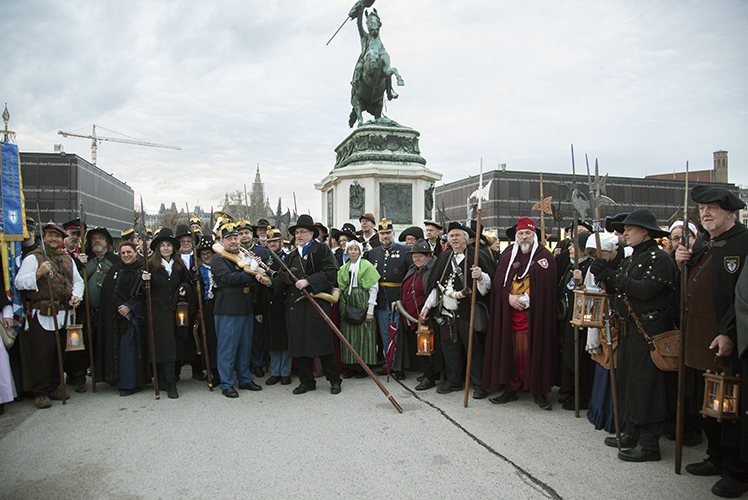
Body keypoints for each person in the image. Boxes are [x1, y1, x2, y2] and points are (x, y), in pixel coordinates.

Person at [675, 185, 748, 497]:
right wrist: (682, 262)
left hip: (727, 339)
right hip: (699, 337)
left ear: (730, 212)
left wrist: (729, 333)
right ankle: (715, 458)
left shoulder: (744, 243)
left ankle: (737, 471)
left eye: (713, 209)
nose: (705, 214)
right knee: (705, 403)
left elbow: (741, 297)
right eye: (702, 209)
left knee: (729, 407)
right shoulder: (706, 242)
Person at [591, 208, 675, 462]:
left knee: (646, 386)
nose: (624, 233)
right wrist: (604, 275)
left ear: (645, 232)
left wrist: (612, 276)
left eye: (629, 229)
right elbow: (621, 290)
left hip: (649, 331)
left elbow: (646, 290)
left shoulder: (659, 259)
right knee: (630, 381)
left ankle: (650, 443)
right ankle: (633, 431)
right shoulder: (632, 259)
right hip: (631, 330)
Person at [482, 217, 557, 410]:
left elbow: (548, 287)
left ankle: (539, 392)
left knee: (535, 351)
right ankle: (510, 388)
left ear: (534, 235)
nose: (524, 237)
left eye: (528, 233)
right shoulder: (508, 257)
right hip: (510, 318)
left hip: (534, 318)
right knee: (511, 353)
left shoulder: (544, 257)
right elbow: (499, 284)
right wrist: (508, 298)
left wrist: (529, 298)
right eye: (521, 233)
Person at [265, 214, 341, 395]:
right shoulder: (291, 256)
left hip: (316, 305)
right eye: (296, 232)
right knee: (299, 346)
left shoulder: (321, 249)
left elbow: (331, 272)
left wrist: (309, 281)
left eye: (302, 232)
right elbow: (283, 278)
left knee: (323, 344)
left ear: (311, 234)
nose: (298, 236)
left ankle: (334, 380)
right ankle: (307, 381)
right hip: (296, 307)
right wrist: (268, 282)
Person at [15, 223, 84, 409]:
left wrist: (77, 295)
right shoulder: (34, 258)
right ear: (44, 238)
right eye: (50, 236)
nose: (53, 239)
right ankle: (41, 392)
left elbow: (77, 281)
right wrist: (38, 273)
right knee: (42, 354)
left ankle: (54, 386)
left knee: (59, 354)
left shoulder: (66, 258)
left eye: (57, 236)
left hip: (63, 313)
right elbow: (19, 282)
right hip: (43, 313)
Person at [423, 222, 491, 399]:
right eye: (451, 236)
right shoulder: (444, 259)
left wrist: (481, 277)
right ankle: (453, 382)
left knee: (473, 351)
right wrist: (427, 306)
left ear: (466, 239)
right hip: (447, 314)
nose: (454, 239)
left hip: (468, 314)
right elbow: (435, 286)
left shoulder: (478, 257)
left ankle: (479, 385)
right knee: (450, 350)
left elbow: (487, 288)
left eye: (457, 235)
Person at [211, 223, 263, 398]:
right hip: (228, 308)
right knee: (227, 348)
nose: (234, 242)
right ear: (222, 241)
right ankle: (226, 383)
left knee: (244, 346)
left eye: (235, 238)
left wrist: (255, 268)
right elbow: (227, 278)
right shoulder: (218, 259)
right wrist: (249, 272)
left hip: (245, 306)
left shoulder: (242, 255)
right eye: (229, 239)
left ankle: (245, 378)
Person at [141, 228, 193, 399]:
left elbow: (187, 283)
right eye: (162, 245)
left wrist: (184, 289)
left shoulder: (179, 265)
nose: (165, 248)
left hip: (175, 312)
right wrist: (145, 282)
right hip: (157, 313)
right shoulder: (150, 265)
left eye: (168, 245)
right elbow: (139, 291)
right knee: (162, 347)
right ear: (157, 248)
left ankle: (170, 380)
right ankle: (166, 381)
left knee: (173, 346)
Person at [97, 241, 149, 395]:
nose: (126, 255)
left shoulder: (142, 269)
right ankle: (120, 380)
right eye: (123, 253)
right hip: (117, 318)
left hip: (136, 318)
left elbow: (144, 295)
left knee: (130, 351)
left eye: (129, 252)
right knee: (119, 351)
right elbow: (108, 293)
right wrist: (120, 307)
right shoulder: (115, 269)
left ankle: (131, 383)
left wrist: (130, 307)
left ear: (135, 252)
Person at [367, 218, 412, 379]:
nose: (385, 236)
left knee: (397, 334)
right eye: (382, 233)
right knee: (385, 334)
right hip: (381, 299)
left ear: (393, 233)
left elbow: (409, 277)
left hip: (397, 300)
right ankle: (390, 363)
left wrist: (401, 299)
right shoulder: (373, 253)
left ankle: (398, 366)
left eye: (387, 233)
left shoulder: (405, 251)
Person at [557, 232, 592, 410]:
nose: (569, 249)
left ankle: (582, 396)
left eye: (572, 246)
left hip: (581, 320)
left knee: (579, 356)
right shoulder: (570, 266)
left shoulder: (588, 267)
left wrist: (581, 282)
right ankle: (570, 391)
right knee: (569, 353)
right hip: (568, 317)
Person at [401, 239, 440, 391]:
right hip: (411, 317)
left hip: (426, 318)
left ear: (429, 256)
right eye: (414, 256)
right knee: (420, 348)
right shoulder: (414, 268)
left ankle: (429, 377)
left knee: (427, 348)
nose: (416, 259)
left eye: (420, 257)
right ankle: (428, 373)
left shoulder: (432, 270)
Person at [338, 240, 380, 378]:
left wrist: (370, 311)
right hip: (349, 305)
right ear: (347, 251)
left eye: (356, 249)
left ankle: (363, 367)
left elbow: (374, 289)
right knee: (350, 337)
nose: (353, 252)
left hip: (363, 304)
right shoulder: (344, 268)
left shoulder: (367, 266)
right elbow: (342, 289)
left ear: (360, 251)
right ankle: (351, 366)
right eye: (350, 249)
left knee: (364, 336)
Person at [84, 226, 119, 389]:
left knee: (107, 343)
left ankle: (110, 374)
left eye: (101, 238)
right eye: (93, 238)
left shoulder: (115, 261)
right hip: (87, 311)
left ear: (107, 243)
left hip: (108, 312)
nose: (97, 241)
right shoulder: (84, 262)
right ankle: (80, 377)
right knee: (87, 343)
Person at [260, 229, 292, 386]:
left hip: (285, 303)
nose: (272, 244)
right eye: (270, 242)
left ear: (281, 242)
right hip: (269, 304)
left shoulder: (289, 258)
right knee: (272, 340)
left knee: (285, 340)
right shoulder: (265, 260)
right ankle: (275, 372)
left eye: (275, 241)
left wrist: (272, 283)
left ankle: (285, 372)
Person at [195, 234, 219, 384]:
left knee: (220, 339)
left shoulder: (220, 267)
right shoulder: (198, 270)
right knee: (210, 340)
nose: (206, 256)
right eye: (203, 254)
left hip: (220, 304)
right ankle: (212, 371)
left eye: (209, 253)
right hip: (206, 306)